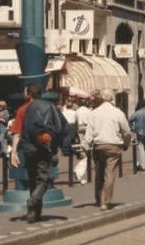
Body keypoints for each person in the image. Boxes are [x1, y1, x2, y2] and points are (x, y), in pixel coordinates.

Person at [10, 82, 68, 223]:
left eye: (25, 91)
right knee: (43, 178)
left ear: (29, 94)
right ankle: (34, 201)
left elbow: (17, 133)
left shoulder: (23, 109)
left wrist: (14, 151)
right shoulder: (48, 107)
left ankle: (33, 213)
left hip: (28, 149)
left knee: (32, 180)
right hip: (43, 148)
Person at [81, 88, 133, 211]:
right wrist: (126, 143)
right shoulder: (117, 113)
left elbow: (89, 133)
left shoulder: (94, 113)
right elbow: (126, 131)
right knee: (110, 174)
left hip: (98, 146)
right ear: (112, 98)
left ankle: (98, 198)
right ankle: (106, 202)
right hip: (114, 146)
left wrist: (85, 147)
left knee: (99, 173)